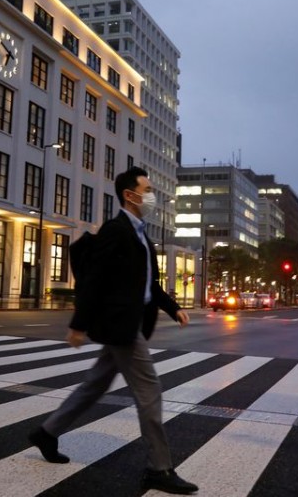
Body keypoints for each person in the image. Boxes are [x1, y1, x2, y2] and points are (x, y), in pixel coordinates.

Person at [28, 167, 197, 495]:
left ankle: (47, 433)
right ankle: (158, 468)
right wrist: (78, 325)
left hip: (130, 323)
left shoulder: (140, 234)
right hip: (122, 326)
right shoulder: (115, 230)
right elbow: (94, 280)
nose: (151, 196)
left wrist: (173, 308)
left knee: (94, 386)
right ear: (129, 195)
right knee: (150, 391)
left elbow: (150, 283)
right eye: (146, 190)